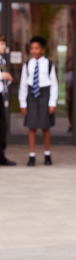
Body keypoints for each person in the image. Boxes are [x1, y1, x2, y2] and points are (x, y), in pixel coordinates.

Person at [19, 35, 57, 166]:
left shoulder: (49, 64)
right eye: (31, 48)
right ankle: (32, 156)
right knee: (32, 127)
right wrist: (23, 103)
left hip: (45, 96)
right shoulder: (27, 64)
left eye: (36, 48)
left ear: (42, 50)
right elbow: (23, 84)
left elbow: (54, 84)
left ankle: (47, 154)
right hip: (32, 96)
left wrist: (52, 102)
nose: (33, 51)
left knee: (45, 127)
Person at [0, 35, 15, 166]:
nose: (4, 47)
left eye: (4, 44)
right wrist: (1, 75)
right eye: (2, 44)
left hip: (0, 96)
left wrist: (7, 78)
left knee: (2, 127)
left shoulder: (2, 60)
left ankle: (1, 156)